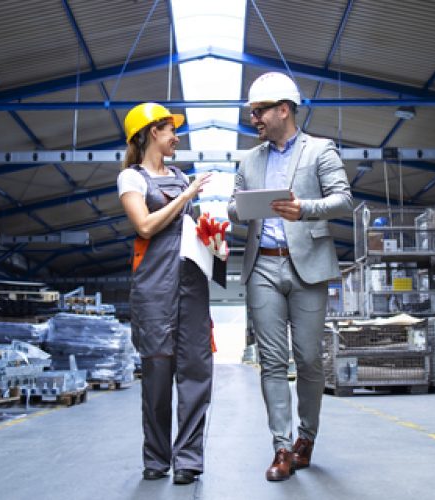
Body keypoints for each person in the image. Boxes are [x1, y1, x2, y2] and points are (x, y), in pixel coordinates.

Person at [227, 72, 354, 481]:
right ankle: (281, 447)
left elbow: (343, 200)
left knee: (309, 358)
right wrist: (243, 207)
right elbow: (232, 209)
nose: (254, 118)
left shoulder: (320, 151)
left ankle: (306, 438)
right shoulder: (249, 160)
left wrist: (306, 209)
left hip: (308, 266)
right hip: (261, 263)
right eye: (252, 112)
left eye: (260, 111)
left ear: (285, 109)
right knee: (272, 361)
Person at [118, 102, 213, 486]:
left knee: (195, 372)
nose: (176, 137)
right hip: (154, 288)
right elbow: (144, 226)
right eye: (171, 130)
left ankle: (188, 460)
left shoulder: (177, 175)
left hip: (191, 284)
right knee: (157, 375)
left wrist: (213, 234)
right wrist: (187, 194)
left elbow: (192, 229)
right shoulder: (132, 178)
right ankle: (156, 459)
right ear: (152, 132)